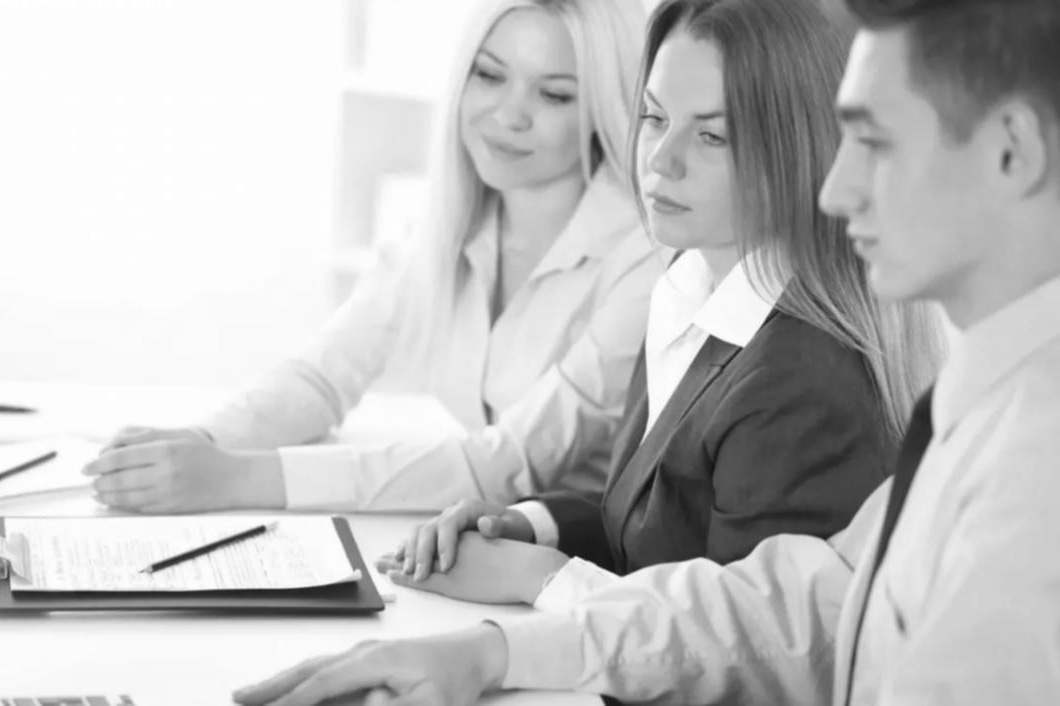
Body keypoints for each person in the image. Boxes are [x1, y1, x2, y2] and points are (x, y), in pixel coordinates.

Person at [231, 0, 1060, 704]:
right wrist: (497, 637)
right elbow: (784, 603)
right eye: (656, 119)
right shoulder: (977, 394)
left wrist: (534, 586)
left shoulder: (1023, 464)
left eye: (873, 143)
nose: (836, 189)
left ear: (1014, 151)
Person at [374, 0, 943, 606]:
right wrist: (528, 524)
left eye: (711, 135)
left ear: (797, 153)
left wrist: (540, 579)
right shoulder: (689, 285)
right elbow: (654, 526)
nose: (660, 159)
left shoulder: (803, 380)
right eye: (654, 117)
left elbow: (744, 644)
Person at [83, 0, 657, 514]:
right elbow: (323, 376)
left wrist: (236, 478)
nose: (508, 115)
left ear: (604, 108)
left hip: (576, 564)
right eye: (488, 75)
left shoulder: (643, 257)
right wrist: (200, 444)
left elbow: (503, 465)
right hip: (471, 534)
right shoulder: (447, 224)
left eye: (554, 94)